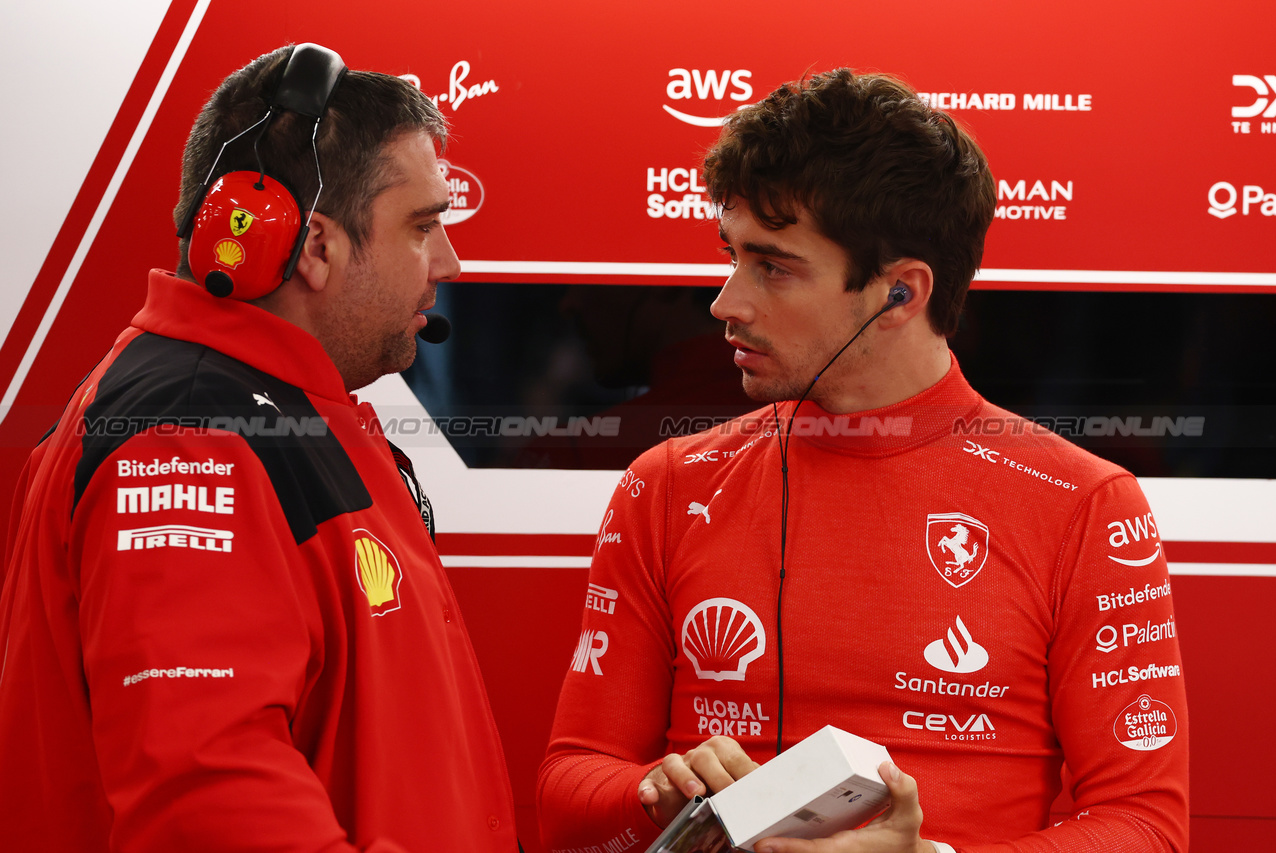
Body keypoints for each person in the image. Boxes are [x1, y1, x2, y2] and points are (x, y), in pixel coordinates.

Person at [537, 69, 1188, 853]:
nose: (725, 301)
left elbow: (1147, 826)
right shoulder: (669, 482)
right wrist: (661, 792)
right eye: (732, 256)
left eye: (772, 266)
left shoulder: (1084, 501)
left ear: (900, 295)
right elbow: (565, 794)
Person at [0, 44, 518, 851]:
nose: (449, 261)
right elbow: (208, 803)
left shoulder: (262, 414)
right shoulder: (186, 437)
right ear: (312, 245)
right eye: (423, 226)